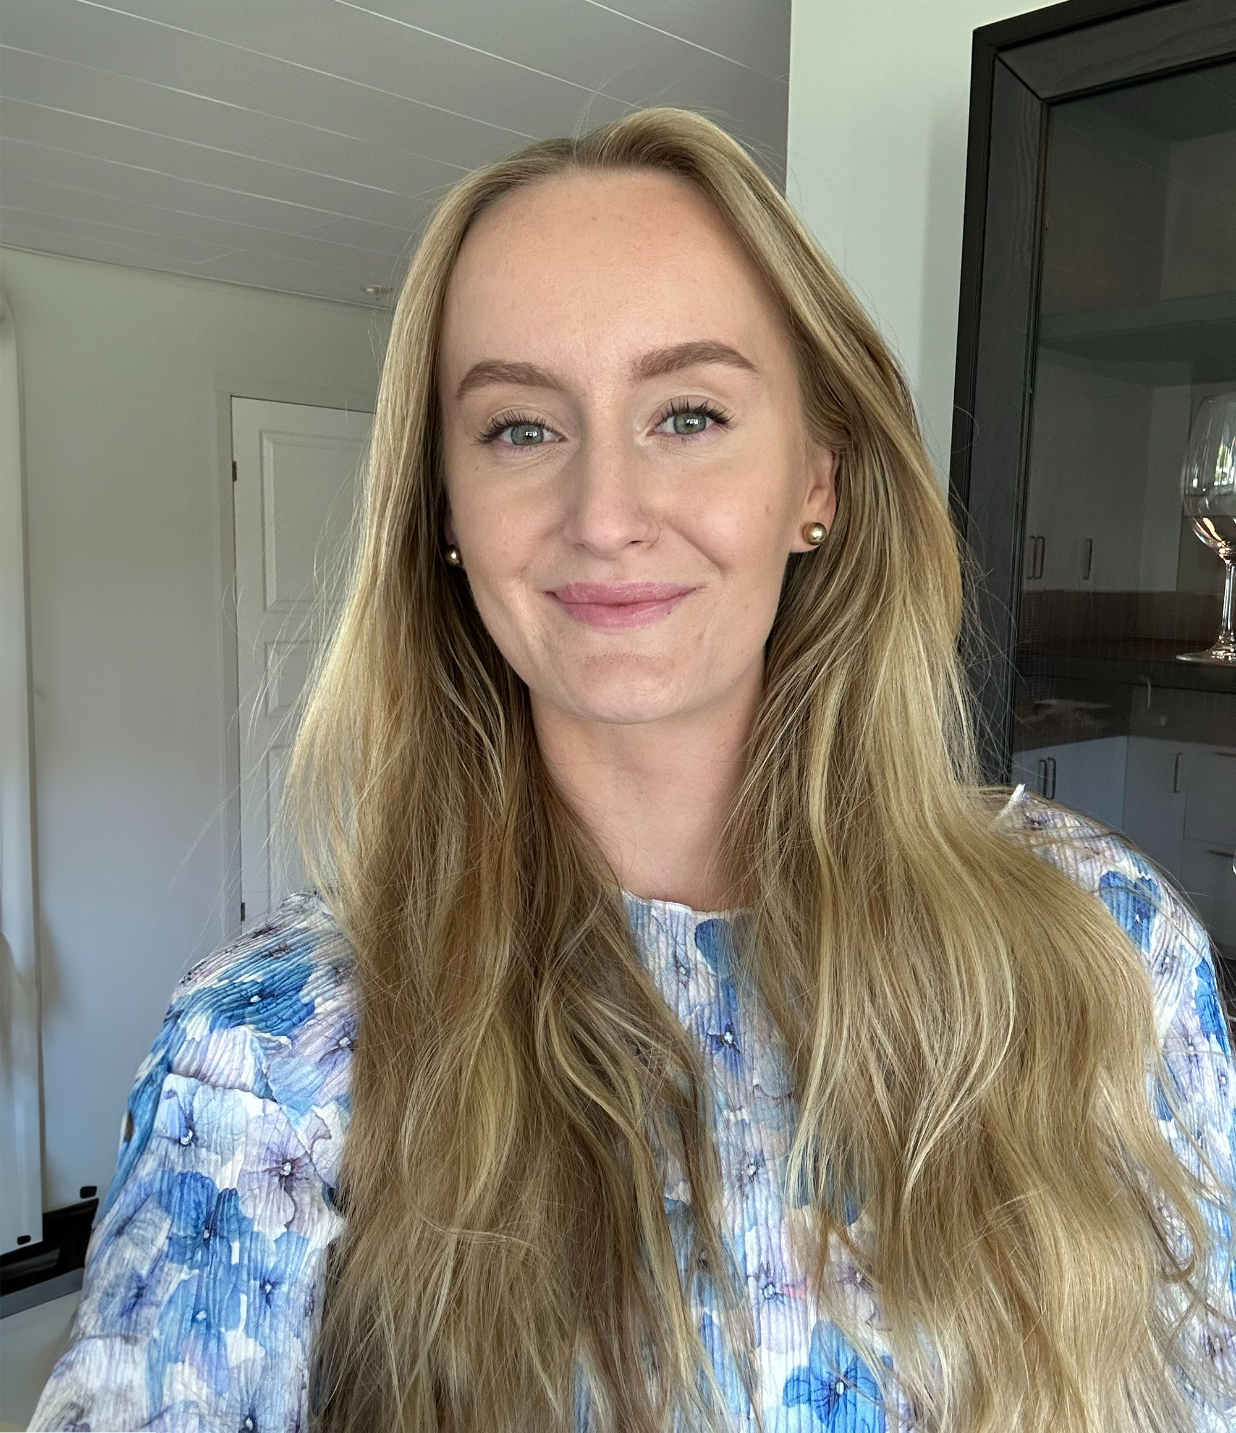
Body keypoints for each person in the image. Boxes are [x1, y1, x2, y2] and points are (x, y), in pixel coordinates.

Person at [28, 106, 1236, 1433]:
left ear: (818, 481)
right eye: (519, 429)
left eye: (690, 413)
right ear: (443, 508)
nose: (605, 516)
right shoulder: (276, 1050)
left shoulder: (1103, 946)